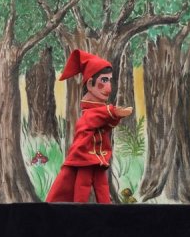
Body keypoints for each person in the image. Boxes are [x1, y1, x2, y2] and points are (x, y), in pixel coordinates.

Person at [46, 49, 133, 203]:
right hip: (84, 155)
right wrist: (112, 112)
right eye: (103, 80)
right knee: (83, 183)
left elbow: (104, 123)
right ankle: (80, 211)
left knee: (102, 184)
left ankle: (107, 212)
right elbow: (92, 119)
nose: (108, 88)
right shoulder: (90, 112)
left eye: (109, 80)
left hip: (98, 155)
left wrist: (113, 115)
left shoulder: (100, 111)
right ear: (90, 84)